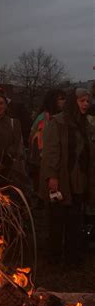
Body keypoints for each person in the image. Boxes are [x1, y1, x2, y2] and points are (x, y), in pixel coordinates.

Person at [39, 88, 93, 265]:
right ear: (73, 102)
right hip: (62, 177)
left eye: (87, 101)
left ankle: (72, 256)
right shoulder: (58, 122)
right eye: (82, 101)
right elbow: (51, 151)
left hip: (78, 178)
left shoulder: (83, 124)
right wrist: (52, 177)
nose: (86, 104)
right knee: (57, 218)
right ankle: (54, 257)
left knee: (74, 218)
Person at [0, 92, 25, 189]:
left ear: (6, 105)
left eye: (1, 103)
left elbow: (16, 144)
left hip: (9, 167)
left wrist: (5, 161)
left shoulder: (14, 123)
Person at [28, 89, 66, 192]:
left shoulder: (64, 117)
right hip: (43, 161)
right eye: (61, 99)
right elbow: (35, 140)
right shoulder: (43, 119)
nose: (64, 101)